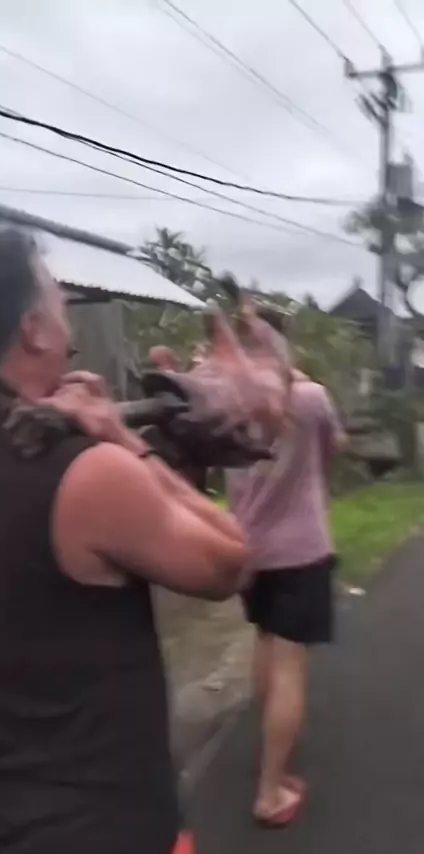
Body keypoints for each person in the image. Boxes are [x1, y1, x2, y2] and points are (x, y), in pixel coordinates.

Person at [0, 226, 250, 854]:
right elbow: (229, 562)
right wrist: (121, 438)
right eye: (59, 302)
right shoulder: (89, 473)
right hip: (99, 826)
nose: (68, 319)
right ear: (33, 330)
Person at [227, 306, 347, 828]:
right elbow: (333, 448)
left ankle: (268, 751)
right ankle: (270, 792)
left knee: (264, 642)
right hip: (301, 550)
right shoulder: (310, 397)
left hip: (248, 549)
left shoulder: (225, 401)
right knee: (290, 665)